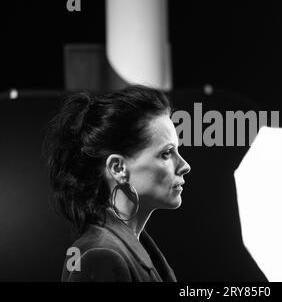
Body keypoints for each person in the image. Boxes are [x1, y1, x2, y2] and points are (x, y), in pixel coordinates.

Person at [43, 85, 191, 282]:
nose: (185, 166)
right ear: (118, 168)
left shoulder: (127, 247)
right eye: (166, 153)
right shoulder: (100, 257)